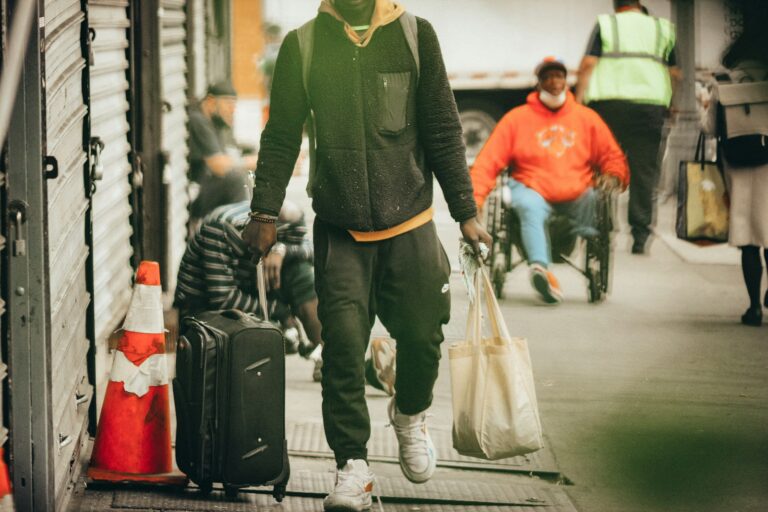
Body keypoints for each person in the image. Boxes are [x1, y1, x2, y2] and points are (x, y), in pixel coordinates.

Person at [241, 0, 491, 509]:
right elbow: (282, 133)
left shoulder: (415, 36)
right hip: (340, 229)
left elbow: (443, 129)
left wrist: (466, 211)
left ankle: (410, 415)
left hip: (411, 224)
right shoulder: (304, 46)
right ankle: (352, 466)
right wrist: (264, 211)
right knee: (342, 351)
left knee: (423, 336)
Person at [472, 57, 629, 304]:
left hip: (576, 192)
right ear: (539, 83)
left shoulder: (586, 119)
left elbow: (611, 155)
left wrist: (613, 174)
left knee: (592, 196)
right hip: (531, 187)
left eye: (559, 76)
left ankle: (585, 240)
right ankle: (540, 269)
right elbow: (488, 161)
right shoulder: (517, 119)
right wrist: (475, 198)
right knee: (529, 206)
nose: (554, 82)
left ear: (566, 81)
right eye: (547, 77)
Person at [575, 0, 681, 255]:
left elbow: (588, 64)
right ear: (639, 4)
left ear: (616, 5)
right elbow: (676, 74)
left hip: (608, 107)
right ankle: (640, 236)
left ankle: (603, 229)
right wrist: (672, 103)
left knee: (603, 166)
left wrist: (578, 102)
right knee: (644, 173)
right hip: (650, 108)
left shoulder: (606, 24)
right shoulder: (663, 28)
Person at [174, 200, 323, 373]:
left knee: (300, 271)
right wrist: (280, 312)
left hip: (248, 288)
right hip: (205, 311)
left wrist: (281, 250)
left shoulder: (282, 221)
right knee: (268, 336)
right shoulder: (220, 228)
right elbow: (223, 299)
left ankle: (324, 355)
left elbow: (310, 249)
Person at [701, 9, 768, 327]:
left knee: (748, 239)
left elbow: (709, 127)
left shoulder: (724, 81)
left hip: (738, 165)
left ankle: (753, 308)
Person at [187, 82, 256, 223]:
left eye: (234, 105)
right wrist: (250, 162)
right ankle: (240, 225)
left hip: (203, 188)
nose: (233, 110)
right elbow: (218, 166)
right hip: (192, 193)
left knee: (243, 177)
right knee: (235, 180)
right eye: (229, 104)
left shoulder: (213, 122)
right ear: (211, 102)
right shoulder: (197, 120)